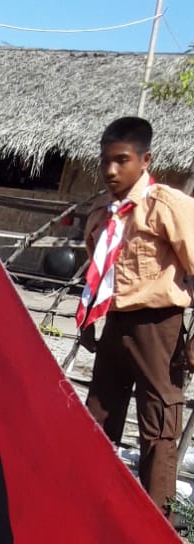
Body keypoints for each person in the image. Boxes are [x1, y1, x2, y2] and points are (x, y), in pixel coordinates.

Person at [78, 116, 194, 518]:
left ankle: (156, 518)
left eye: (121, 160)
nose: (110, 170)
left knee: (158, 421)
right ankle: (90, 503)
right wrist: (89, 318)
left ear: (145, 160)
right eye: (105, 161)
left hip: (158, 325)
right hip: (115, 324)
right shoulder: (102, 211)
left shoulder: (166, 206)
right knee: (99, 415)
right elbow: (97, 269)